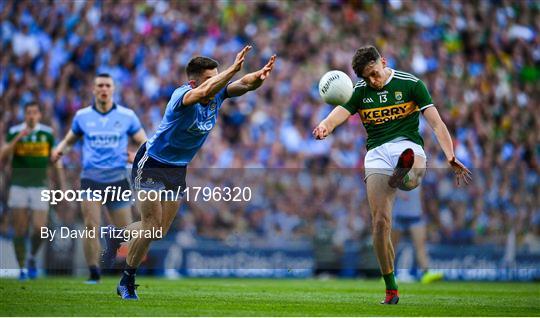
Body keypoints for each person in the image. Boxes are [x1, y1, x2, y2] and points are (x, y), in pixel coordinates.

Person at [102, 45, 276, 300]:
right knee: (150, 226)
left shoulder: (216, 93)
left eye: (216, 76)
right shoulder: (182, 96)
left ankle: (115, 234)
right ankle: (126, 281)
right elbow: (209, 88)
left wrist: (259, 76)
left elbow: (245, 84)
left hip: (177, 168)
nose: (215, 82)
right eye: (209, 78)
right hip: (153, 162)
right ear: (193, 82)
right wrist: (231, 70)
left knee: (159, 231)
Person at [313, 46, 471, 304]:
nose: (372, 81)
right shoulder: (360, 92)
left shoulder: (411, 84)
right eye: (367, 77)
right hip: (377, 152)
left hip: (407, 146)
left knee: (413, 178)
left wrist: (450, 155)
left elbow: (436, 123)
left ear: (383, 62)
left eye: (375, 73)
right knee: (380, 223)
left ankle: (402, 173)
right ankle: (391, 287)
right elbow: (339, 113)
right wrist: (324, 126)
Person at [51, 73, 147, 283]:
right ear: (94, 90)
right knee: (91, 225)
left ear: (113, 90)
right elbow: (69, 141)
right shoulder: (82, 116)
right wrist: (60, 150)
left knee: (126, 232)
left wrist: (135, 155)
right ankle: (94, 273)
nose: (103, 89)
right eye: (100, 86)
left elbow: (144, 142)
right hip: (91, 178)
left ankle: (127, 270)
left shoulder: (127, 115)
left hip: (117, 178)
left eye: (107, 85)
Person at [0, 102, 57, 280]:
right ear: (25, 115)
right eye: (28, 113)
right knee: (19, 230)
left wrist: (58, 182)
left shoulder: (47, 134)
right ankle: (22, 267)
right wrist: (18, 138)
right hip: (18, 185)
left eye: (34, 112)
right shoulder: (15, 131)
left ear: (39, 115)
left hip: (40, 185)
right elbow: (3, 155)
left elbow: (53, 159)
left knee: (40, 228)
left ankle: (31, 257)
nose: (31, 116)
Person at [391, 187, 443, 283]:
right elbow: (389, 187)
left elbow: (420, 194)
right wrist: (398, 193)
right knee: (392, 247)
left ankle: (426, 273)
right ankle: (389, 275)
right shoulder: (395, 172)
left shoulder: (418, 173)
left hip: (415, 215)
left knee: (421, 246)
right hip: (399, 216)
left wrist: (421, 209)